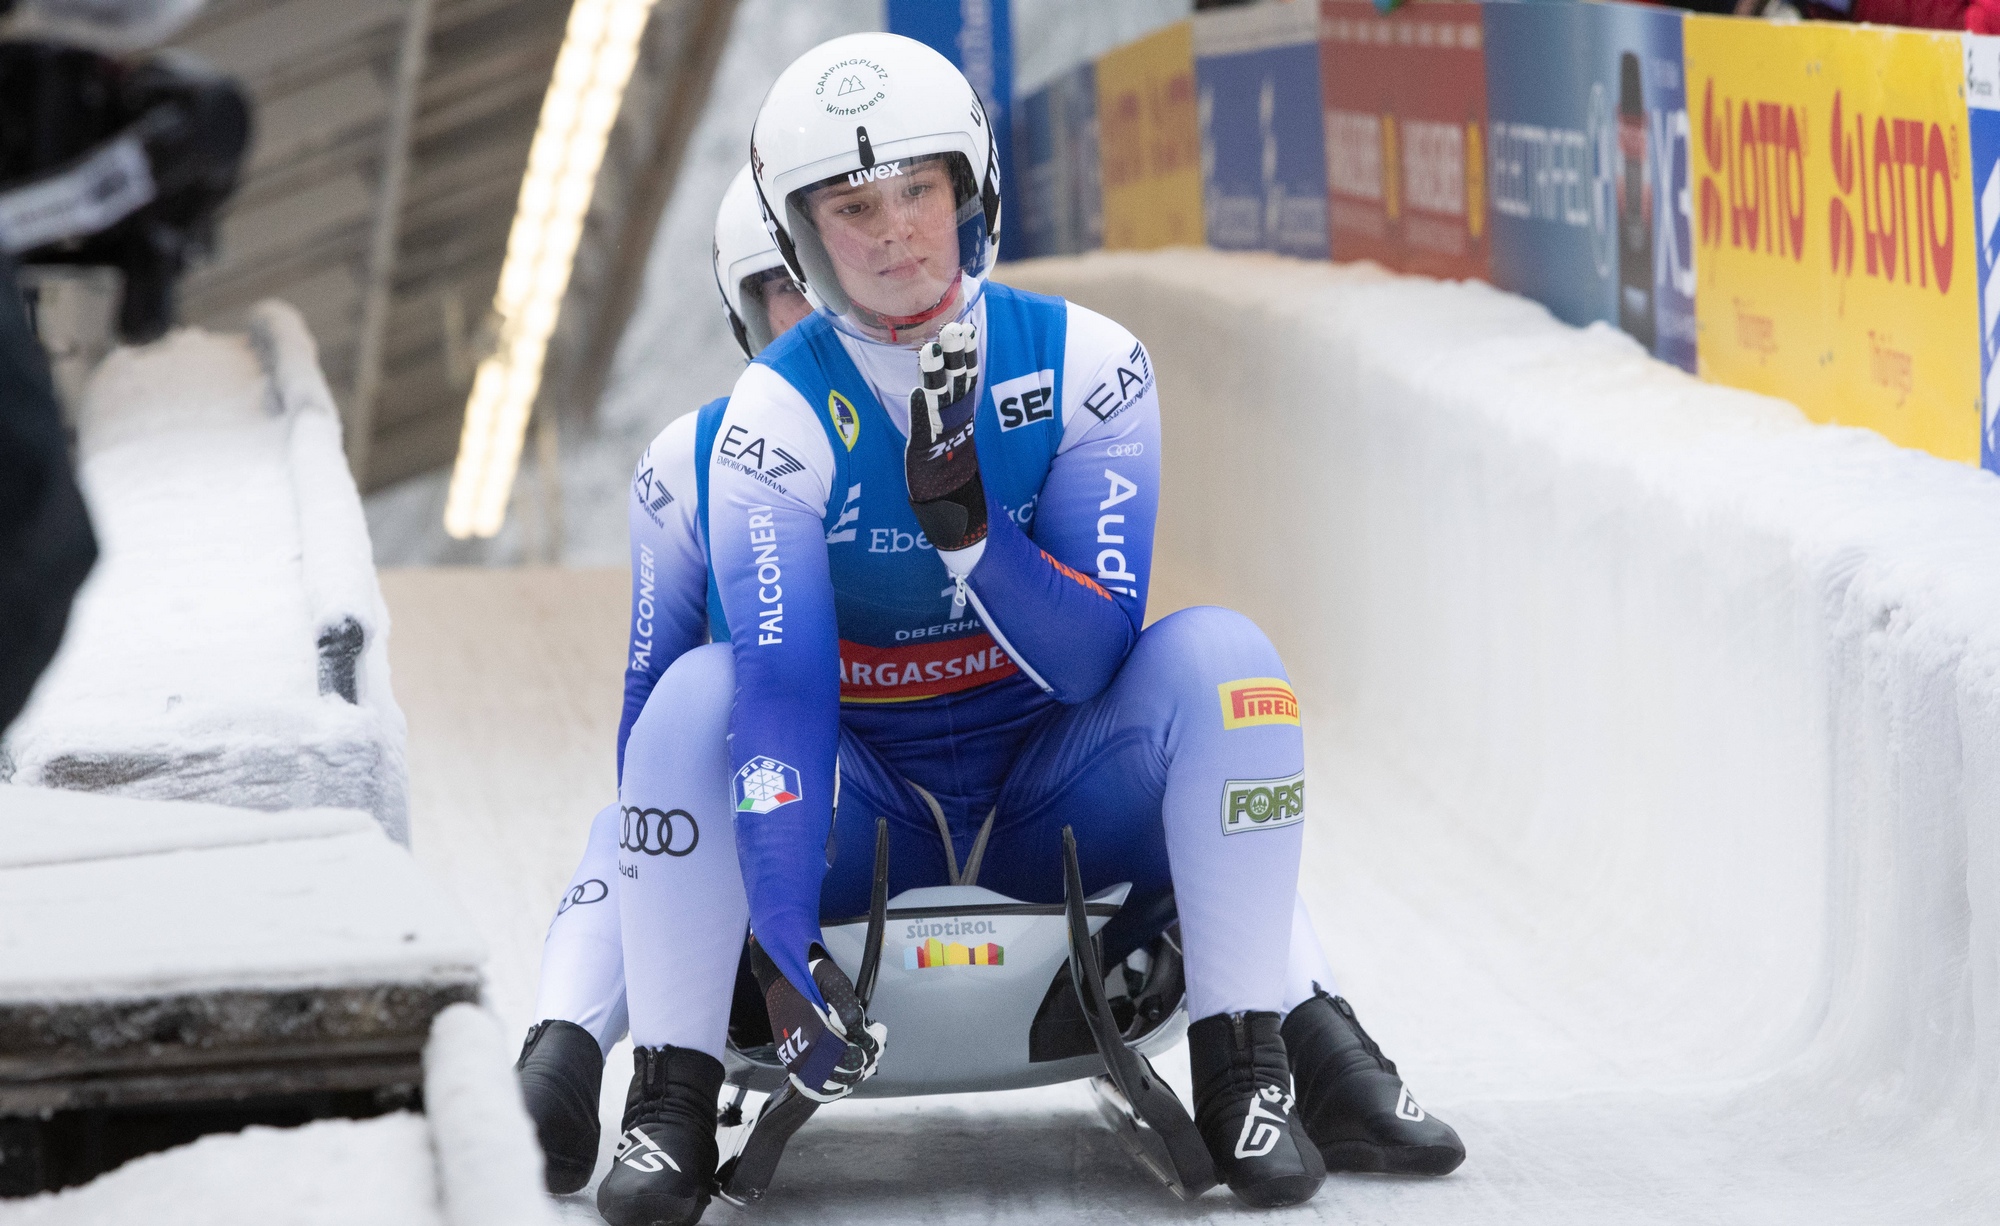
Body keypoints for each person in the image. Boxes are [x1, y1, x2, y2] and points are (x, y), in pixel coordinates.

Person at [596, 33, 1462, 1226]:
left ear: (970, 194)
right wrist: (784, 933)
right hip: (868, 805)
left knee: (1230, 664)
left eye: (918, 191)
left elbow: (1093, 656)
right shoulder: (771, 417)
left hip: (1052, 790)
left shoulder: (1090, 364)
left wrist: (971, 537)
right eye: (854, 208)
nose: (895, 234)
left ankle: (1246, 1069)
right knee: (699, 692)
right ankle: (670, 1097)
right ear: (802, 236)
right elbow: (782, 694)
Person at [511, 162, 813, 1196]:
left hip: (952, 809)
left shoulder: (968, 419)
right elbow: (654, 708)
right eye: (788, 286)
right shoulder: (690, 463)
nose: (819, 307)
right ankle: (561, 1055)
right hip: (781, 821)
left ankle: (566, 1042)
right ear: (748, 312)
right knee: (637, 810)